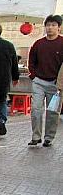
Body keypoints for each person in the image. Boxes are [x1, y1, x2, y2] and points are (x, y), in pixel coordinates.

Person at [28, 14, 63, 147]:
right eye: (48, 25)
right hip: (39, 82)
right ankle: (36, 136)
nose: (50, 28)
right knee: (36, 109)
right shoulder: (38, 44)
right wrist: (33, 76)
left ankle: (48, 137)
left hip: (56, 85)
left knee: (52, 112)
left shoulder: (61, 43)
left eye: (53, 25)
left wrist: (60, 83)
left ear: (59, 28)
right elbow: (31, 61)